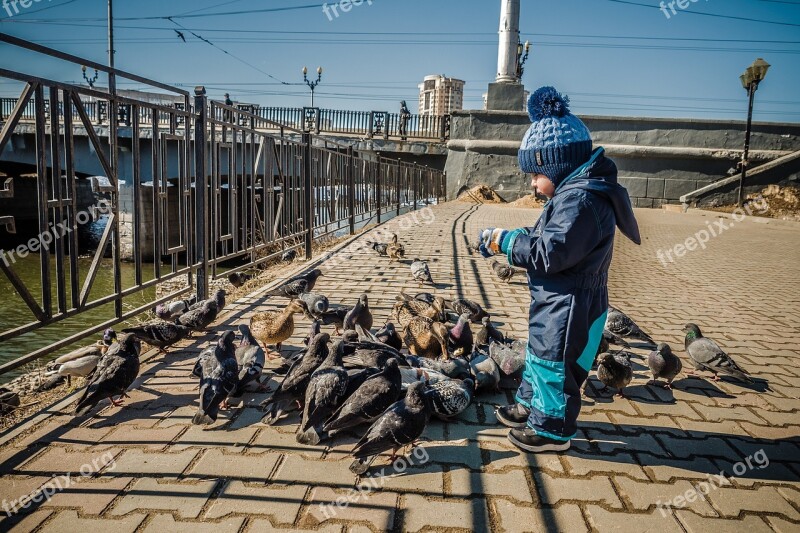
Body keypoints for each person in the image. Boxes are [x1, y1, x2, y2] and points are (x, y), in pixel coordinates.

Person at [478, 86, 641, 453]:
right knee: (539, 354)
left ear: (557, 165)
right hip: (560, 297)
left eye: (535, 174)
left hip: (570, 303)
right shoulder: (574, 194)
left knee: (554, 364)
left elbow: (550, 253)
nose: (532, 184)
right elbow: (548, 237)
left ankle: (552, 430)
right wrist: (518, 235)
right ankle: (530, 406)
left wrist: (506, 243)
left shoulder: (581, 201)